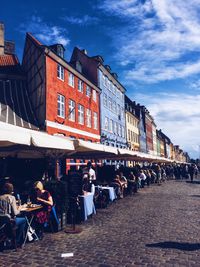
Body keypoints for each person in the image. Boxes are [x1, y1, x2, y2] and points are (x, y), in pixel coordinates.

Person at [0, 182, 26, 247]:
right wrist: (20, 208)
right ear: (11, 190)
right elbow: (15, 213)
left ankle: (8, 237)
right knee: (24, 220)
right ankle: (16, 241)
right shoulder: (12, 198)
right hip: (10, 221)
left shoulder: (0, 197)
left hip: (1, 221)